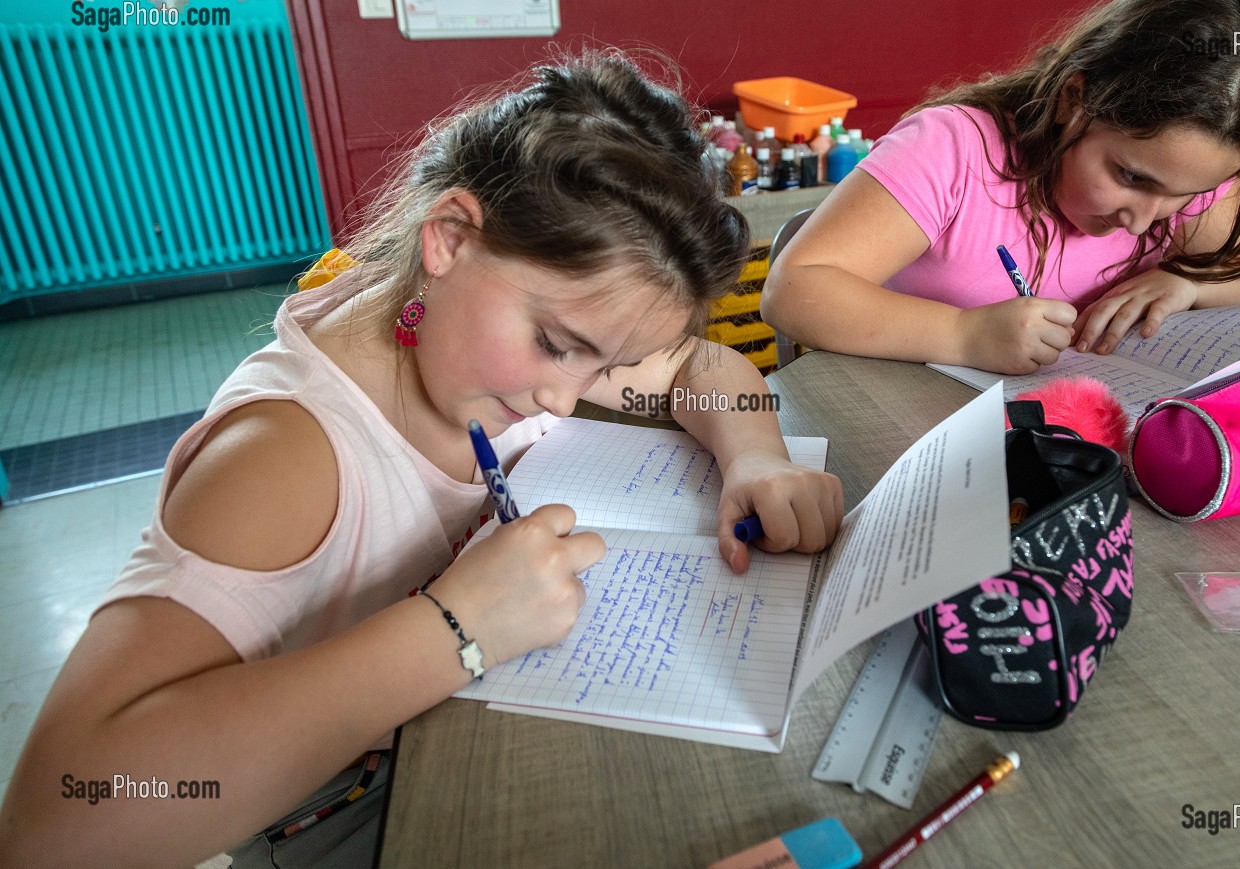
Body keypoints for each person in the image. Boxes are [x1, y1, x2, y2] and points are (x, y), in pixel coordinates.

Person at [0, 50, 843, 868]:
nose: (566, 396)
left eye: (605, 369)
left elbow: (701, 368)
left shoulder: (494, 342)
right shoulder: (287, 455)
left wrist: (755, 456)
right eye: (555, 345)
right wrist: (454, 628)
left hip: (497, 724)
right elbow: (57, 823)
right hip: (334, 807)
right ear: (448, 238)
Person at [762, 0, 1240, 375]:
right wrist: (964, 334)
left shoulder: (1186, 181)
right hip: (898, 421)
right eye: (1131, 177)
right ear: (1073, 100)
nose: (1144, 220)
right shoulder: (956, 150)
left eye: (1187, 194)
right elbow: (794, 289)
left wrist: (1190, 283)